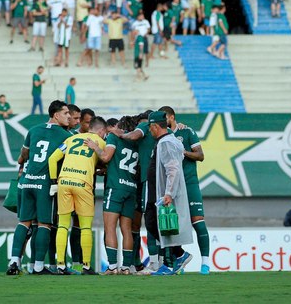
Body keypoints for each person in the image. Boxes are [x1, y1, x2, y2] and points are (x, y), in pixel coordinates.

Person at [7, 100, 72, 276]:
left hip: (27, 182)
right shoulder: (66, 136)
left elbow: (23, 155)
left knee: (24, 222)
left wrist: (21, 163)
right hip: (45, 184)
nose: (69, 117)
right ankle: (37, 266)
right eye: (66, 113)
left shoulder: (33, 130)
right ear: (56, 115)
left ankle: (14, 261)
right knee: (44, 224)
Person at [48, 116, 108, 275]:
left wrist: (54, 181)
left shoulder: (71, 139)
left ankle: (60, 265)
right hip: (83, 183)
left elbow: (52, 159)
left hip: (64, 181)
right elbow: (105, 159)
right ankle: (86, 266)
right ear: (101, 131)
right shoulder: (100, 142)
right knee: (85, 227)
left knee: (62, 225)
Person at [159, 106, 210, 275]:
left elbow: (200, 155)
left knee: (198, 222)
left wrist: (184, 152)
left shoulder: (186, 131)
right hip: (173, 186)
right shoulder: (162, 136)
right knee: (172, 223)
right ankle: (177, 264)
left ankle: (205, 263)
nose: (163, 121)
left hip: (189, 183)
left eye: (165, 118)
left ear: (172, 117)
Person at [86, 115, 138, 275]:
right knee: (126, 229)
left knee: (110, 228)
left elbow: (106, 156)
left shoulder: (114, 139)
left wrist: (94, 146)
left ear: (120, 127)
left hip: (115, 188)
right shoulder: (136, 143)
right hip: (131, 188)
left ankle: (113, 267)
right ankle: (127, 267)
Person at [145, 111, 193, 275]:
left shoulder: (165, 143)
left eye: (150, 128)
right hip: (157, 191)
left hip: (161, 193)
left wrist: (168, 194)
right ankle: (178, 257)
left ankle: (176, 258)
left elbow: (173, 169)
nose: (149, 131)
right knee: (158, 225)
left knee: (155, 224)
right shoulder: (166, 141)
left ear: (155, 126)